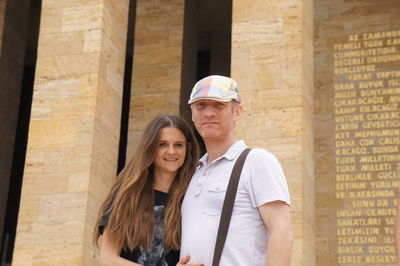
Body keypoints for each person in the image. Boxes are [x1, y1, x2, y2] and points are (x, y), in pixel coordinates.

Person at [178, 75, 294, 266]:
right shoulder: (193, 173)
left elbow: (282, 230)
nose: (208, 113)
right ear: (192, 114)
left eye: (219, 105)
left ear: (237, 112)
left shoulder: (256, 161)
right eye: (201, 105)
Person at [93, 114, 201, 266]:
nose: (171, 151)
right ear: (150, 148)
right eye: (162, 144)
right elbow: (108, 259)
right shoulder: (127, 194)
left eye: (178, 145)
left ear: (188, 148)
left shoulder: (194, 196)